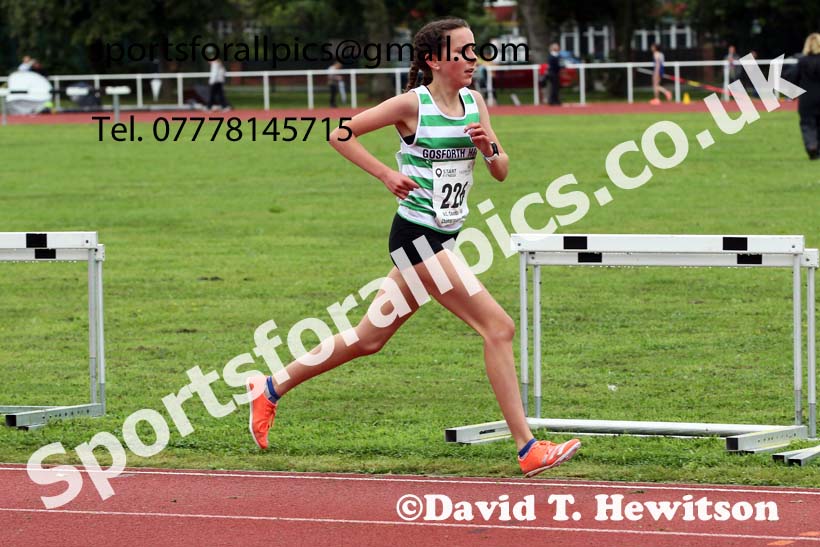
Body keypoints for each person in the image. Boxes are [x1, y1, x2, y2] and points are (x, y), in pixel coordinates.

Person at [245, 17, 581, 477]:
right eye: (462, 52)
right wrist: (386, 174)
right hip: (416, 239)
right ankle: (527, 449)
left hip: (444, 237)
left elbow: (501, 171)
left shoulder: (474, 102)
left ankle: (269, 387)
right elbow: (340, 134)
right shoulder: (412, 105)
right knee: (498, 328)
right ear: (433, 59)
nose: (473, 59)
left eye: (474, 50)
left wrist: (489, 149)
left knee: (369, 338)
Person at [793, 33, 820, 160]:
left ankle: (811, 146)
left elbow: (794, 78)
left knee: (807, 124)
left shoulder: (802, 61)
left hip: (807, 98)